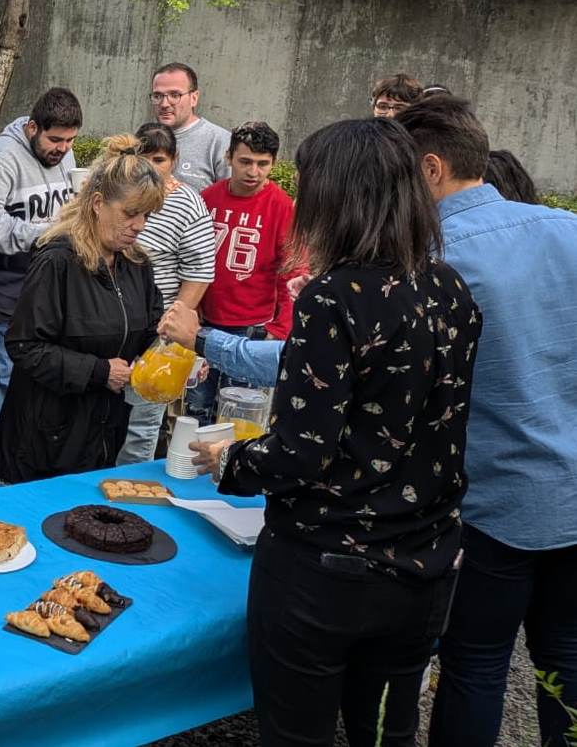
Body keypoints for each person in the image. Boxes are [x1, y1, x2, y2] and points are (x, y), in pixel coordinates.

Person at [191, 117, 481, 747]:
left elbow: (301, 451)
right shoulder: (448, 285)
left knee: (299, 733)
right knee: (388, 730)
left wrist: (233, 463)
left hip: (330, 564)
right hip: (427, 555)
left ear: (337, 198)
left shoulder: (335, 296)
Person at [397, 97, 577, 747]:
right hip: (570, 496)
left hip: (494, 506)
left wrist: (214, 345)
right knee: (567, 658)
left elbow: (351, 363)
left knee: (475, 663)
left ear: (430, 169)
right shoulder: (566, 230)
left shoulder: (439, 261)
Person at [0, 135, 165, 483]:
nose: (139, 225)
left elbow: (146, 330)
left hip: (102, 431)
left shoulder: (137, 264)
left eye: (145, 215)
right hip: (45, 438)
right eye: (130, 213)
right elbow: (24, 346)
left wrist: (172, 351)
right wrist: (98, 371)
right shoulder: (57, 260)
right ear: (98, 203)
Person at [0, 87, 82, 490]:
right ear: (32, 127)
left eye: (69, 140)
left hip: (44, 283)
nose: (62, 149)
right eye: (54, 140)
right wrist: (48, 235)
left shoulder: (66, 158)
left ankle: (17, 454)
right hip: (0, 282)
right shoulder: (2, 156)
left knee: (33, 374)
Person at [117, 122, 215, 464]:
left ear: (173, 160)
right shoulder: (116, 196)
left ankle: (129, 494)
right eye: (143, 158)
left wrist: (168, 331)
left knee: (142, 425)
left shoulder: (188, 203)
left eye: (159, 159)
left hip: (156, 328)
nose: (150, 167)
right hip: (112, 322)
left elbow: (200, 272)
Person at [188, 121, 297, 424]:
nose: (253, 172)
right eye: (245, 162)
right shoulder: (207, 198)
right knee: (197, 410)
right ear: (229, 158)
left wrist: (279, 329)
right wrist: (190, 307)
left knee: (239, 419)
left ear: (274, 163)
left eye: (263, 164)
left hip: (252, 330)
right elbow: (189, 258)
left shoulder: (281, 206)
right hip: (204, 323)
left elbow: (293, 272)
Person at [150, 62, 230, 191]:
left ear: (194, 98)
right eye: (157, 96)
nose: (164, 104)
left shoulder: (219, 142)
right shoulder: (144, 138)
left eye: (175, 95)